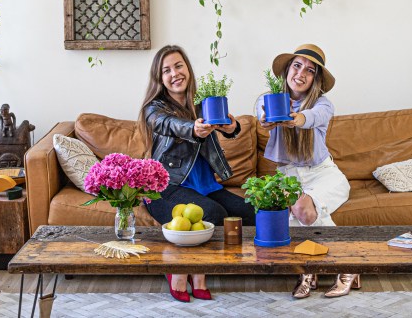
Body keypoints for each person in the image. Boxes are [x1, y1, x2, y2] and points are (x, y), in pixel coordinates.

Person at [138, 45, 256, 303]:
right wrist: (193, 128)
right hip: (165, 189)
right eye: (166, 70)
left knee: (250, 213)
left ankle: (194, 267)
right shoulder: (153, 109)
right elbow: (170, 125)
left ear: (188, 69)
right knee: (213, 214)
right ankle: (181, 270)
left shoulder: (203, 105)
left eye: (178, 66)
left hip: (206, 187)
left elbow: (225, 127)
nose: (174, 73)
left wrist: (232, 127)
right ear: (160, 79)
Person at [256, 44, 359, 299]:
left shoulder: (324, 105)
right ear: (288, 70)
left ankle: (341, 268)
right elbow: (262, 113)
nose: (301, 73)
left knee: (301, 209)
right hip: (288, 175)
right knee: (295, 212)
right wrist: (268, 117)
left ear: (316, 79)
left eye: (310, 70)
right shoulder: (268, 98)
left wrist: (294, 118)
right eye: (297, 65)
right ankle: (314, 271)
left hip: (324, 174)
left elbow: (310, 117)